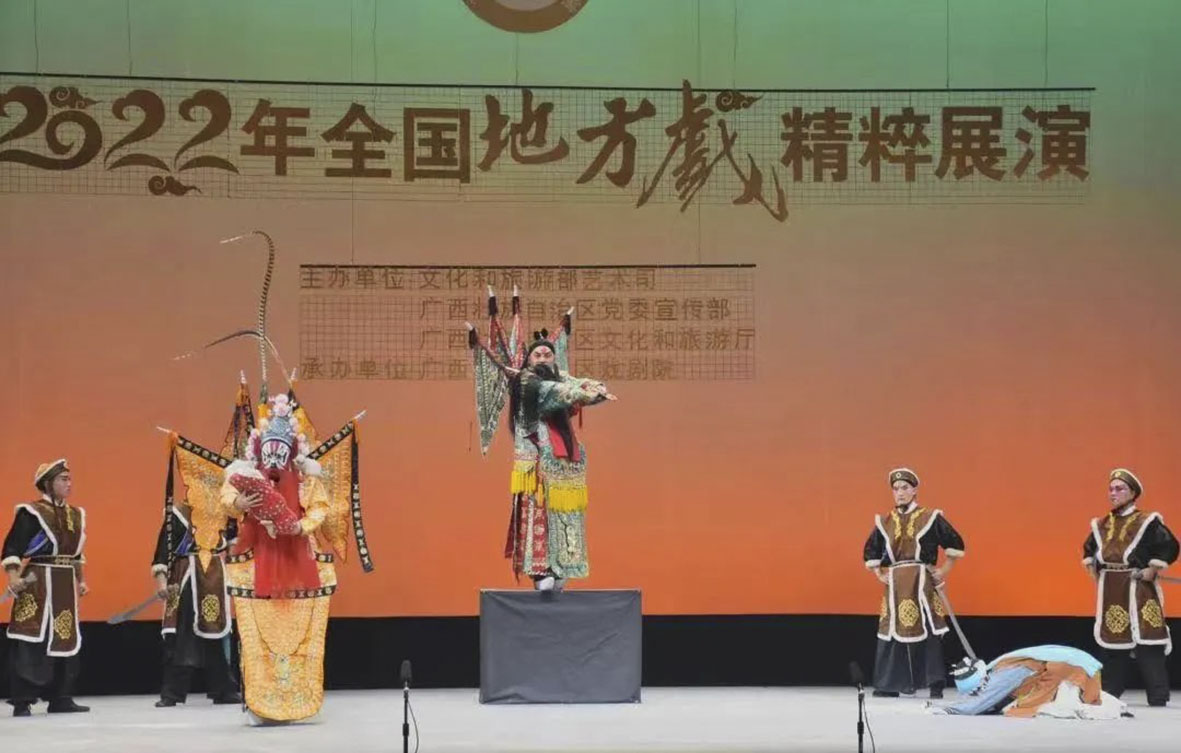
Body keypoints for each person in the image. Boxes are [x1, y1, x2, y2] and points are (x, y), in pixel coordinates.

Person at [467, 287, 616, 590]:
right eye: (538, 354)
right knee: (539, 514)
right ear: (529, 360)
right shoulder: (528, 382)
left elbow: (578, 384)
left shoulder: (557, 376)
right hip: (537, 464)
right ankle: (541, 570)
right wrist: (587, 392)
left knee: (566, 515)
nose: (544, 357)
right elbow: (561, 393)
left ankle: (563, 568)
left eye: (549, 354)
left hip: (564, 464)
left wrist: (595, 387)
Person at [863, 468, 965, 698]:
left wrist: (943, 570)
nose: (900, 492)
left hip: (921, 581)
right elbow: (871, 550)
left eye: (905, 488)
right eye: (896, 489)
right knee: (892, 631)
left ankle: (935, 684)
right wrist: (879, 574)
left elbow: (955, 543)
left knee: (927, 630)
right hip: (896, 583)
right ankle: (890, 684)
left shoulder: (930, 517)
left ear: (914, 490)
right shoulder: (885, 521)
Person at [1082, 468, 1178, 707]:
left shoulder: (1147, 521)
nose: (1113, 493)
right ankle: (1111, 693)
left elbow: (1169, 545)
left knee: (1148, 642)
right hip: (1112, 588)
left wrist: (1152, 569)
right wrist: (1094, 568)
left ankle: (1158, 695)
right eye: (1111, 489)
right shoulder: (1102, 524)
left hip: (1139, 586)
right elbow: (1089, 549)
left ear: (1132, 493)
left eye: (1119, 489)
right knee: (1114, 643)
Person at [3, 459, 90, 717]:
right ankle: (23, 701)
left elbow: (76, 555)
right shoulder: (31, 512)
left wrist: (81, 580)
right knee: (31, 638)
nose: (69, 484)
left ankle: (61, 698)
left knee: (64, 637)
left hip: (64, 583)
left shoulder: (76, 514)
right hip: (37, 581)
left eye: (69, 479)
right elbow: (12, 548)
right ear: (48, 484)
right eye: (63, 479)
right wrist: (13, 577)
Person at [933, 644, 1127, 718]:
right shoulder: (1003, 664)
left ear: (981, 682)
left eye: (977, 689)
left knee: (1020, 708)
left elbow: (982, 702)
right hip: (1083, 670)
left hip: (1072, 672)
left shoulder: (1003, 672)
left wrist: (950, 709)